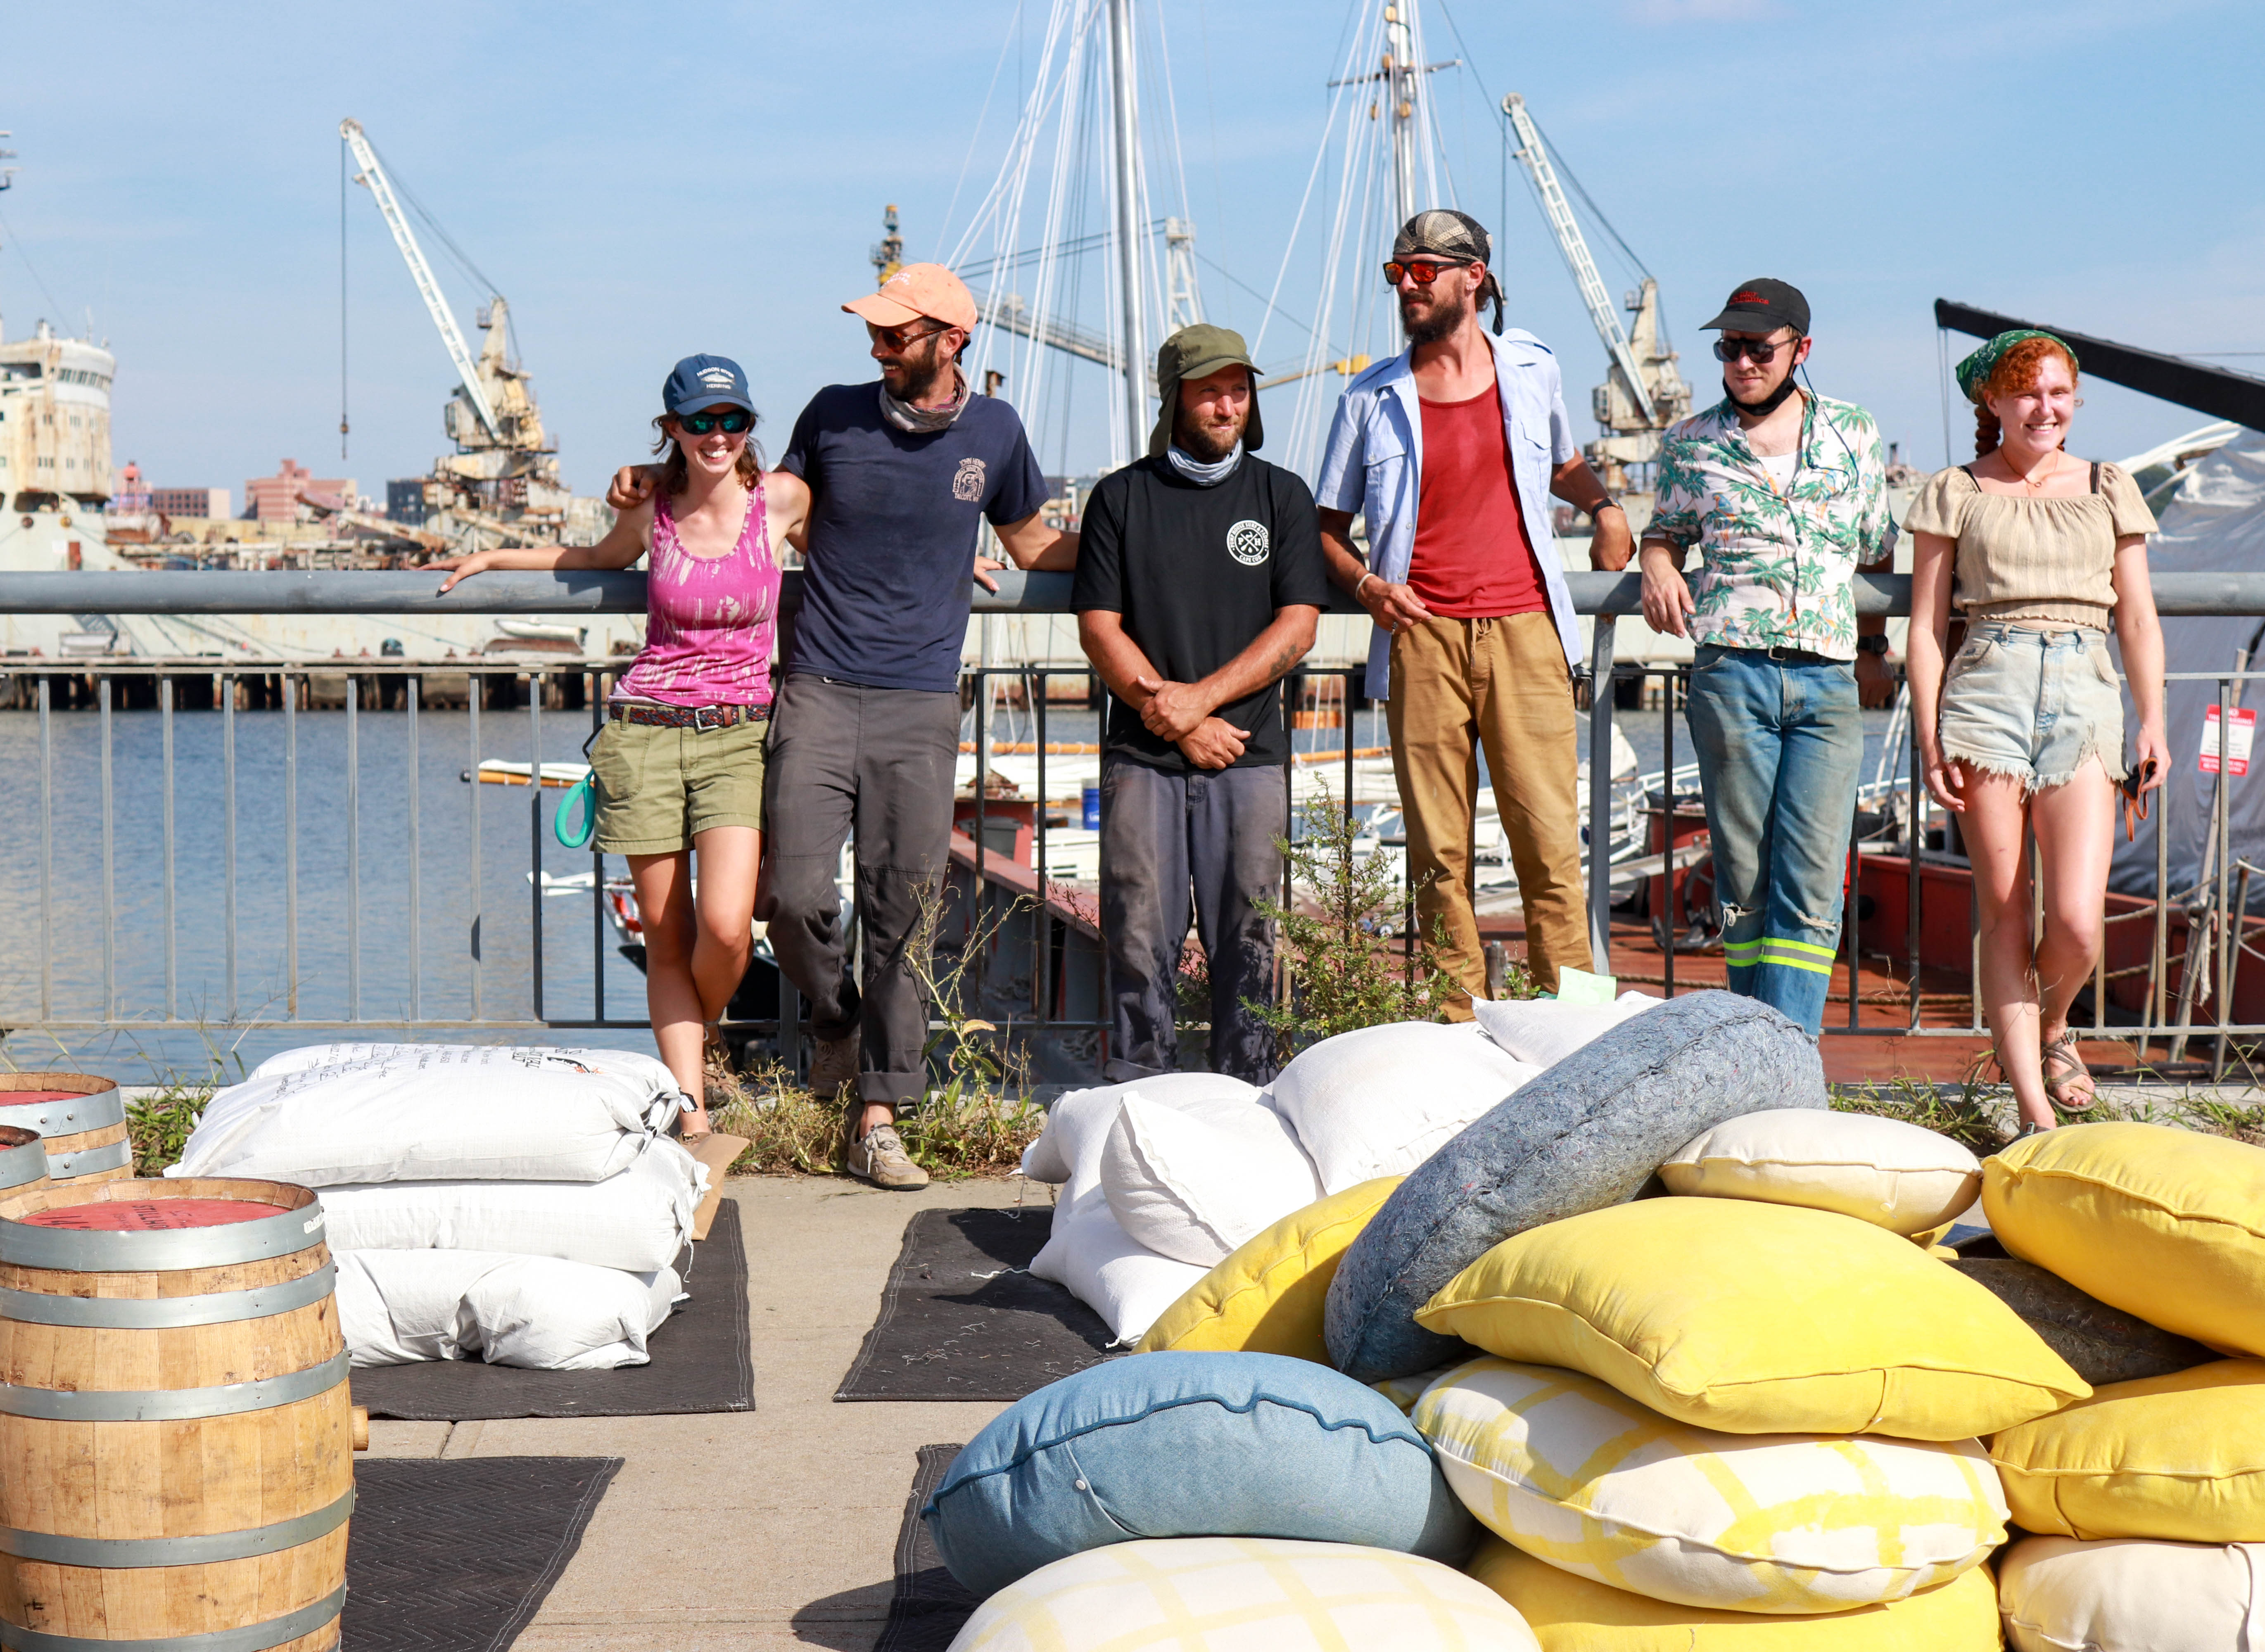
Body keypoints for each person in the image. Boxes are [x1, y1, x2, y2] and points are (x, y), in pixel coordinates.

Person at [608, 264, 1076, 1189]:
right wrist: (646, 480)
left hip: (919, 699)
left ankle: (878, 1114)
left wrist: (1141, 547)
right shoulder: (831, 415)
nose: (877, 346)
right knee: (796, 899)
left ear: (952, 341)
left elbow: (1033, 545)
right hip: (817, 686)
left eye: (895, 334)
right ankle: (833, 1021)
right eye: (874, 331)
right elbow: (746, 505)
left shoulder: (996, 432)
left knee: (901, 912)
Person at [439, 355, 802, 1141]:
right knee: (664, 937)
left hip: (737, 737)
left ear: (749, 427)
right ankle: (692, 1111)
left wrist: (955, 563)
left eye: (732, 420)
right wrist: (494, 559)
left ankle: (691, 1047)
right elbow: (595, 561)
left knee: (730, 926)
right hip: (644, 734)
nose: (718, 435)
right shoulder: (654, 512)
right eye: (699, 421)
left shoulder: (777, 502)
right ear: (671, 427)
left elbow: (867, 546)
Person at [1315, 209, 1629, 1010]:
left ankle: (1581, 1033)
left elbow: (1562, 464)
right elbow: (1323, 531)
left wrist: (1608, 508)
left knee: (1553, 849)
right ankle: (1454, 1032)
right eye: (1398, 275)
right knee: (1436, 857)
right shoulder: (1367, 399)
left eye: (1422, 272)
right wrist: (1365, 587)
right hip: (1420, 638)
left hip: (1527, 632)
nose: (1407, 287)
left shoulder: (1534, 370)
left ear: (1473, 278)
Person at [1906, 330, 2165, 1131]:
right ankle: (2032, 1114)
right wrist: (1928, 734)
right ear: (1994, 400)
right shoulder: (1956, 489)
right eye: (2027, 393)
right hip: (1986, 692)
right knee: (2006, 913)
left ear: (2076, 398)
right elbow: (1923, 627)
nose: (2044, 408)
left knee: (2080, 922)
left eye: (2059, 392)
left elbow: (2138, 617)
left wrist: (2152, 717)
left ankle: (2054, 1028)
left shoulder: (2107, 485)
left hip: (2087, 697)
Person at [1639, 278, 1897, 1037]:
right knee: (1744, 875)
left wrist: (1878, 649)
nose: (1743, 361)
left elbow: (1877, 552)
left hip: (1825, 676)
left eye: (1760, 347)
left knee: (1813, 879)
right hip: (1732, 675)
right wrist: (1657, 563)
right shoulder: (1691, 443)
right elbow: (1666, 530)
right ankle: (1757, 1046)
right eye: (1730, 347)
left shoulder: (1852, 431)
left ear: (1800, 350)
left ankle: (1787, 1055)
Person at [1074, 324, 1327, 1083]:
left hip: (1249, 760)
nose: (1227, 406)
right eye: (1211, 391)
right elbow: (1099, 629)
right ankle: (1136, 1103)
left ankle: (1249, 1105)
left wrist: (1200, 705)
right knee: (1136, 938)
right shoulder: (1122, 496)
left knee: (1250, 941)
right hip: (1143, 759)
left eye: (1239, 391)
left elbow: (1300, 625)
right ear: (1176, 397)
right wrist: (1178, 722)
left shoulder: (1283, 496)